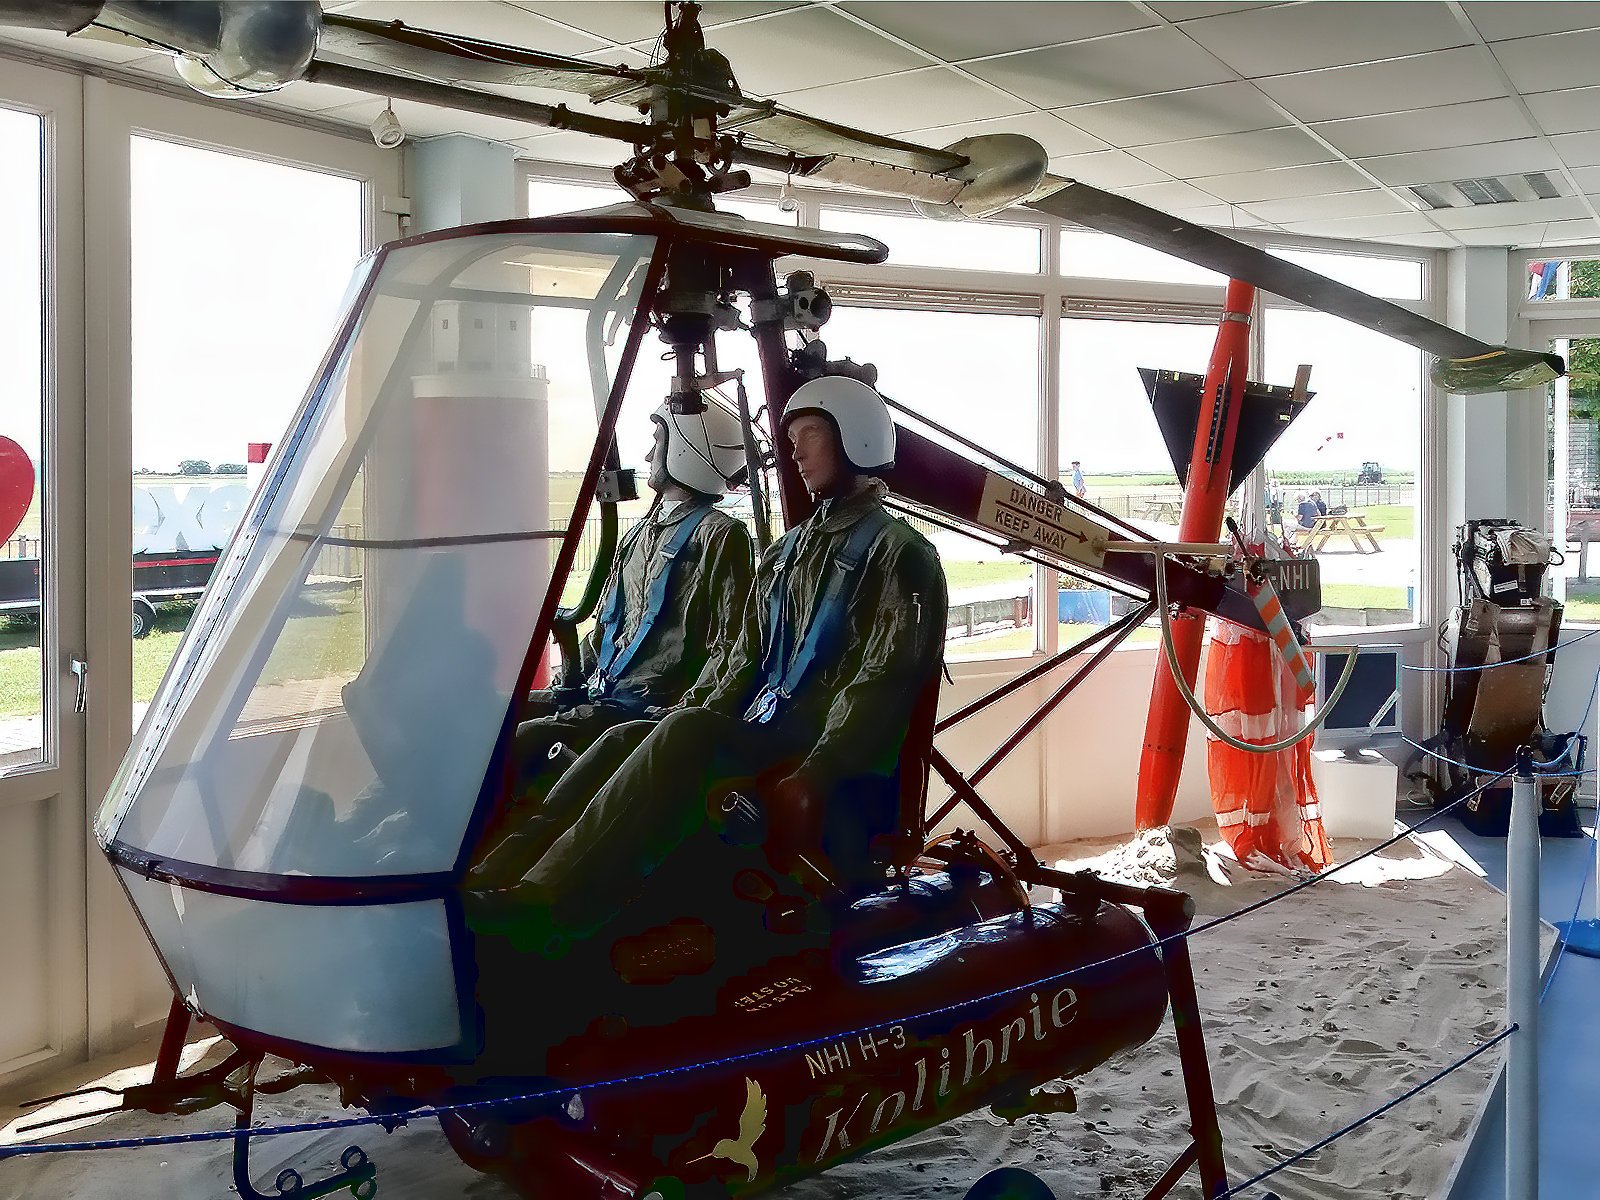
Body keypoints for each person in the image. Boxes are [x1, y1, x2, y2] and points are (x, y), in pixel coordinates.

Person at [467, 376, 947, 940]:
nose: (795, 451)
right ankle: (493, 877)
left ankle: (545, 906)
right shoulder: (786, 553)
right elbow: (740, 660)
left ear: (857, 440)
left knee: (684, 733)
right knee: (629, 737)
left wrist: (816, 774)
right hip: (765, 736)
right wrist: (675, 719)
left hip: (822, 758)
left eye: (810, 434)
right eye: (792, 438)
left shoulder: (902, 555)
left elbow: (880, 688)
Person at [468, 401, 754, 886]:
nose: (648, 453)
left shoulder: (721, 536)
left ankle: (491, 877)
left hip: (645, 709)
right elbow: (606, 624)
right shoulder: (640, 533)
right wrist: (567, 682)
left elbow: (732, 646)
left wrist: (684, 711)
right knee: (484, 719)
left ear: (688, 450)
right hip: (600, 694)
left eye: (659, 443)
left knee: (517, 742)